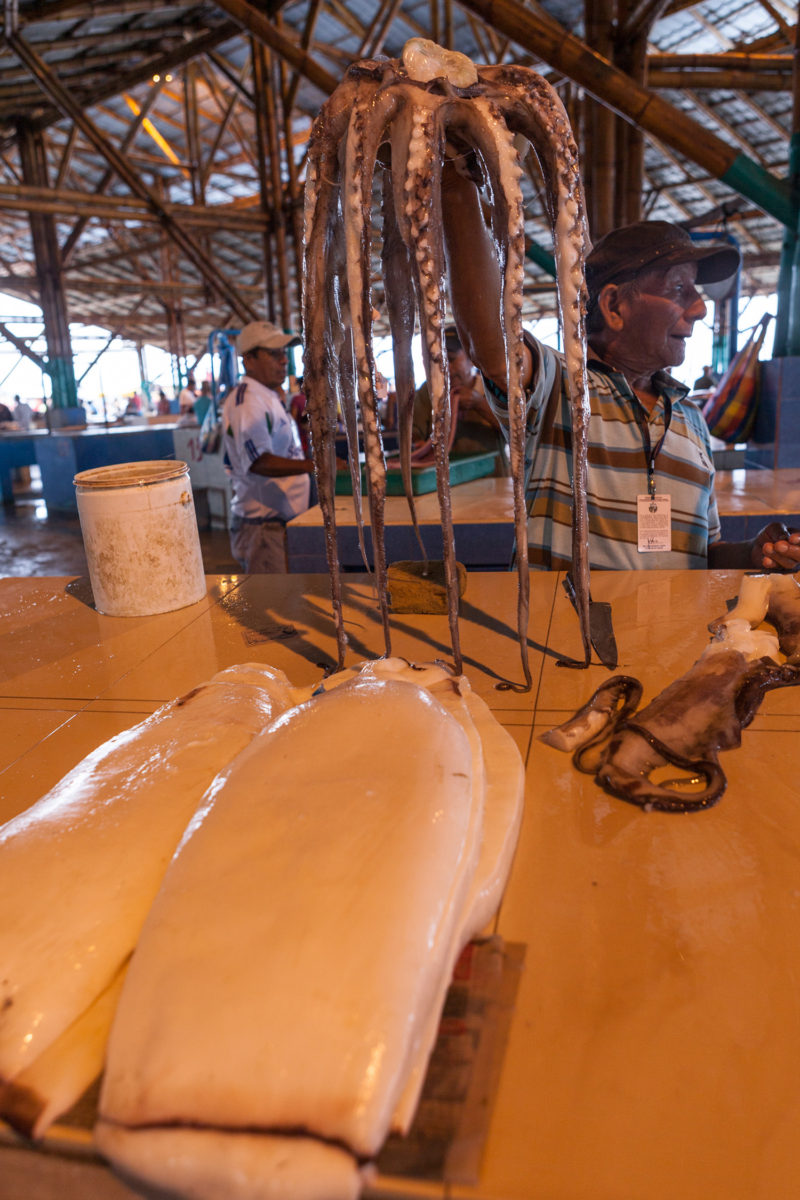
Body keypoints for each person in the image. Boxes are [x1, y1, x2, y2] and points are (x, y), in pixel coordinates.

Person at [441, 167, 800, 573]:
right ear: (614, 308)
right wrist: (457, 189)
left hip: (671, 636)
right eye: (680, 289)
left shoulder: (691, 420)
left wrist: (752, 553)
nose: (700, 308)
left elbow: (702, 554)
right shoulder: (562, 389)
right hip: (563, 638)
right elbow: (493, 346)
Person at [222, 320, 314, 573]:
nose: (283, 361)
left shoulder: (267, 395)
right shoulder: (248, 402)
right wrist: (315, 466)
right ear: (248, 360)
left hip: (278, 522)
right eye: (273, 354)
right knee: (274, 605)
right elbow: (260, 462)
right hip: (263, 526)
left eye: (283, 353)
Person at [411, 325, 508, 474]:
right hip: (446, 479)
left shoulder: (493, 387)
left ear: (471, 359)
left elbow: (517, 431)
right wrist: (420, 445)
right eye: (439, 361)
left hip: (492, 477)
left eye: (451, 359)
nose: (445, 368)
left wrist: (480, 404)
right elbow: (413, 432)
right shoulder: (428, 391)